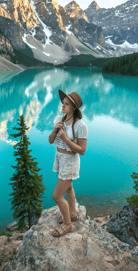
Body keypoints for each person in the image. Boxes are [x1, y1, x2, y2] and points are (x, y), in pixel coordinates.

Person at [48, 89, 88, 237]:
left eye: (67, 104)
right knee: (69, 188)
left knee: (57, 196)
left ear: (74, 108)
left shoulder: (80, 126)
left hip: (70, 162)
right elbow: (51, 140)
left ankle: (67, 224)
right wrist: (55, 130)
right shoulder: (60, 119)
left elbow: (82, 150)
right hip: (60, 158)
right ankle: (72, 214)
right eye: (63, 103)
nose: (63, 106)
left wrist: (65, 139)